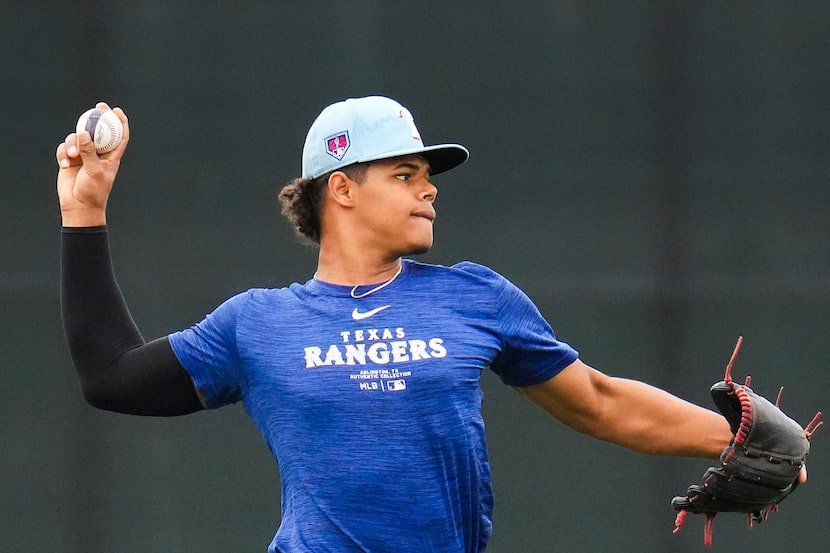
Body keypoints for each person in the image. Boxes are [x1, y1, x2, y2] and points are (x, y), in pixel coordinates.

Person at [57, 96, 764, 552]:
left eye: (426, 174)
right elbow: (111, 375)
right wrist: (84, 209)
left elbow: (601, 400)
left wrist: (736, 438)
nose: (428, 187)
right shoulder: (258, 323)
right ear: (341, 188)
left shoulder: (474, 298)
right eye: (403, 173)